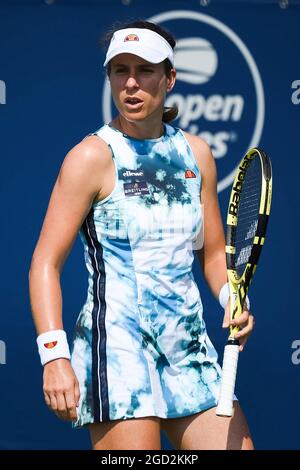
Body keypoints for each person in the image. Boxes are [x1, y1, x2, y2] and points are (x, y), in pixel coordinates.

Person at [29, 20, 254, 450]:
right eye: (120, 70)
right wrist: (55, 356)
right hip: (118, 352)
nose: (131, 83)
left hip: (189, 349)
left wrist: (232, 301)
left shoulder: (196, 154)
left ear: (169, 78)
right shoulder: (90, 157)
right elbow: (45, 262)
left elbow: (210, 255)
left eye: (145, 70)